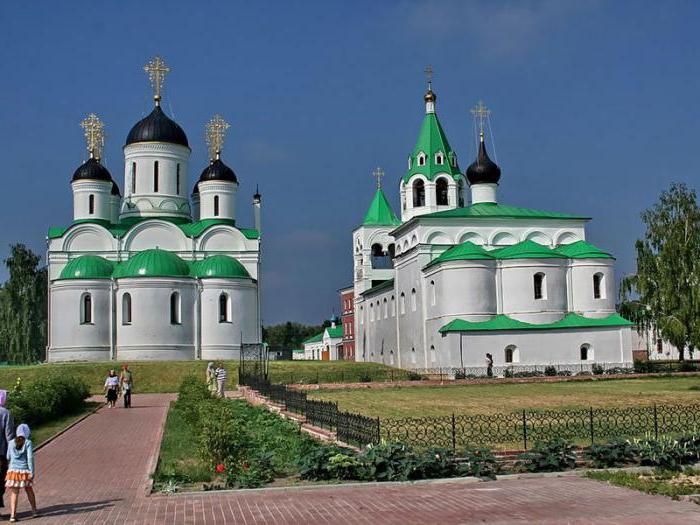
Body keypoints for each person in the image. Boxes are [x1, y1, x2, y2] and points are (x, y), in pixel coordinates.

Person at [6, 424, 37, 522]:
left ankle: (12, 515)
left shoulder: (11, 442)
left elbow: (8, 457)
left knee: (14, 493)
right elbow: (30, 458)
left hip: (13, 472)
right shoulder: (28, 442)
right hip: (24, 472)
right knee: (29, 490)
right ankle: (34, 511)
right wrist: (32, 472)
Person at [0, 391, 14, 512]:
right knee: (1, 479)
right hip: (1, 453)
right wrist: (11, 455)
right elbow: (9, 435)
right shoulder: (5, 413)